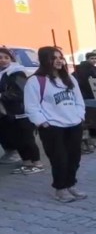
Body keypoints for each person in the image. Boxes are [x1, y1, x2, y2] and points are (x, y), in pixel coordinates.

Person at [24, 46, 86, 202]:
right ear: (45, 60)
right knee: (59, 159)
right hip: (53, 127)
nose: (59, 61)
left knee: (74, 158)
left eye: (60, 57)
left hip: (73, 124)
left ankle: (71, 184)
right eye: (54, 58)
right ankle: (60, 188)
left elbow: (79, 100)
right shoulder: (35, 81)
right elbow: (31, 106)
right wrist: (43, 123)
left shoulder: (69, 79)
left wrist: (80, 116)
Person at [0, 47, 44, 174]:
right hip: (8, 113)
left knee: (27, 139)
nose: (3, 60)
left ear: (11, 59)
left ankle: (37, 163)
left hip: (21, 112)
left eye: (6, 57)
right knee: (16, 139)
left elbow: (20, 92)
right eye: (0, 58)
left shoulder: (17, 72)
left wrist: (2, 96)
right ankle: (26, 163)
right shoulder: (2, 73)